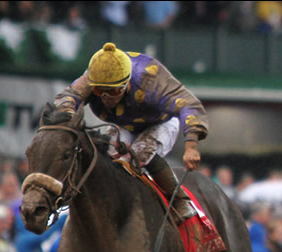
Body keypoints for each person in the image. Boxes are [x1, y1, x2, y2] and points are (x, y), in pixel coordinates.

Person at [53, 42, 209, 222]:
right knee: (105, 157)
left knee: (139, 155)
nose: (104, 97)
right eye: (98, 90)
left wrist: (191, 146)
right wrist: (65, 118)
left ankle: (179, 200)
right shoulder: (94, 75)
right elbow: (67, 98)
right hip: (125, 125)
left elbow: (189, 104)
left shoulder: (150, 79)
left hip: (162, 122)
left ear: (126, 84)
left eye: (112, 91)